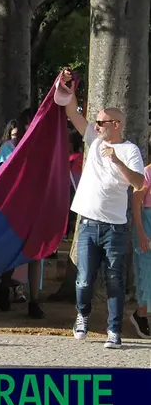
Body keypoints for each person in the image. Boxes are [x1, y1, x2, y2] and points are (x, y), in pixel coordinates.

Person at [59, 69, 145, 349]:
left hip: (115, 227)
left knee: (114, 280)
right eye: (95, 122)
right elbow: (71, 112)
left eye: (101, 123)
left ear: (116, 124)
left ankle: (114, 331)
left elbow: (139, 182)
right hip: (87, 223)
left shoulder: (130, 150)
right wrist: (66, 85)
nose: (95, 127)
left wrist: (118, 162)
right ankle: (82, 316)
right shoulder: (93, 141)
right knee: (83, 280)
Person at [131, 163, 151, 339]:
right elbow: (136, 203)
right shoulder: (147, 172)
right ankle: (141, 314)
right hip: (147, 225)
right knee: (146, 272)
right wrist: (141, 233)